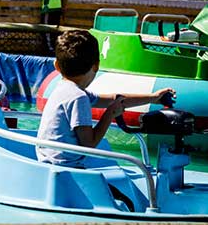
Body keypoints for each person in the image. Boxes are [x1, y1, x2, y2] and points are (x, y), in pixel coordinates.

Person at [36, 30, 175, 168]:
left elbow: (115, 99)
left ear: (57, 66)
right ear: (96, 66)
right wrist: (110, 114)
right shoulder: (78, 97)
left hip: (48, 164)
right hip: (68, 169)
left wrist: (153, 98)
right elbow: (89, 144)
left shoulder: (63, 89)